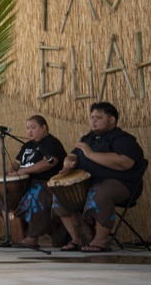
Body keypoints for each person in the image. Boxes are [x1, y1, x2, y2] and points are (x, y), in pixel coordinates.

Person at [54, 102, 144, 252]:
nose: (93, 121)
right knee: (60, 195)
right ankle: (77, 238)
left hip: (121, 185)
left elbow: (124, 163)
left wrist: (90, 154)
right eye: (92, 117)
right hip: (89, 185)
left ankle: (101, 241)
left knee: (99, 192)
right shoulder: (87, 138)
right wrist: (69, 161)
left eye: (98, 117)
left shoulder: (123, 139)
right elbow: (72, 154)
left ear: (111, 120)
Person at [0, 115, 66, 248]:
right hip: (24, 184)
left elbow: (49, 163)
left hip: (44, 184)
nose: (29, 131)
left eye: (33, 128)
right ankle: (16, 235)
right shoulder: (27, 145)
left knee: (34, 197)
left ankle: (32, 238)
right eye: (28, 128)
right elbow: (16, 163)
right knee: (4, 201)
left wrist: (24, 171)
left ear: (44, 127)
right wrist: (10, 173)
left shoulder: (52, 142)